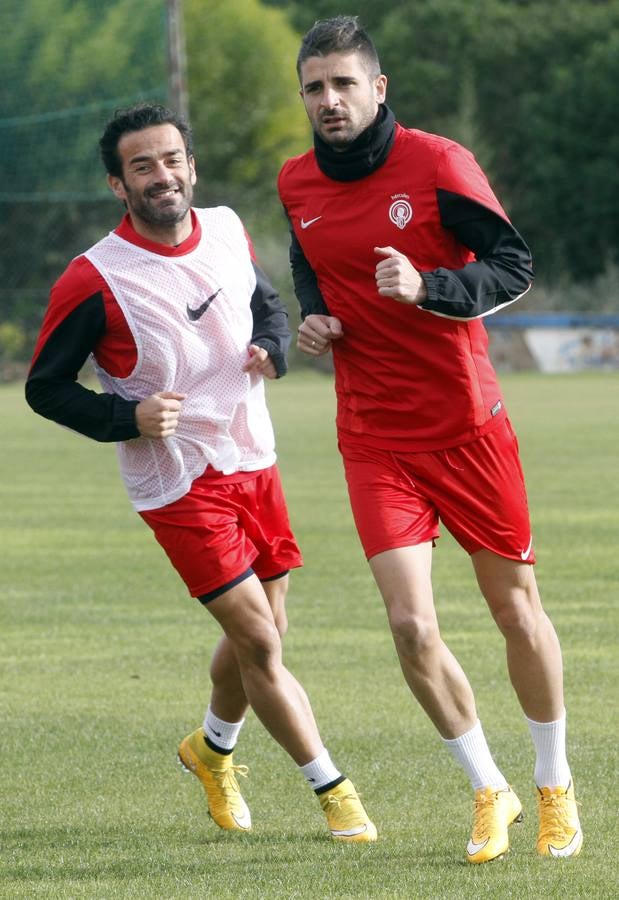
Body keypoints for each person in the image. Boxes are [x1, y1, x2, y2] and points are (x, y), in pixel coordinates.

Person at [25, 103, 376, 843]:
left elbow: (265, 306)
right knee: (261, 640)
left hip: (254, 453)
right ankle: (333, 790)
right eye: (142, 166)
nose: (161, 176)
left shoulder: (224, 228)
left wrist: (273, 350)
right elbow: (45, 387)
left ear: (191, 165)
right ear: (118, 185)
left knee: (266, 632)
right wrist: (128, 419)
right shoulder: (95, 276)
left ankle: (210, 751)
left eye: (171, 159)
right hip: (177, 481)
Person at [278, 17, 582, 863]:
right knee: (410, 627)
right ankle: (491, 789)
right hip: (373, 435)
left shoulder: (438, 163)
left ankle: (554, 785)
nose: (328, 101)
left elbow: (512, 265)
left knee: (513, 611)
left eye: (344, 84)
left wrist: (430, 286)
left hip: (465, 424)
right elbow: (310, 258)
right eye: (314, 88)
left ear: (378, 89)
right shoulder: (295, 181)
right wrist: (315, 315)